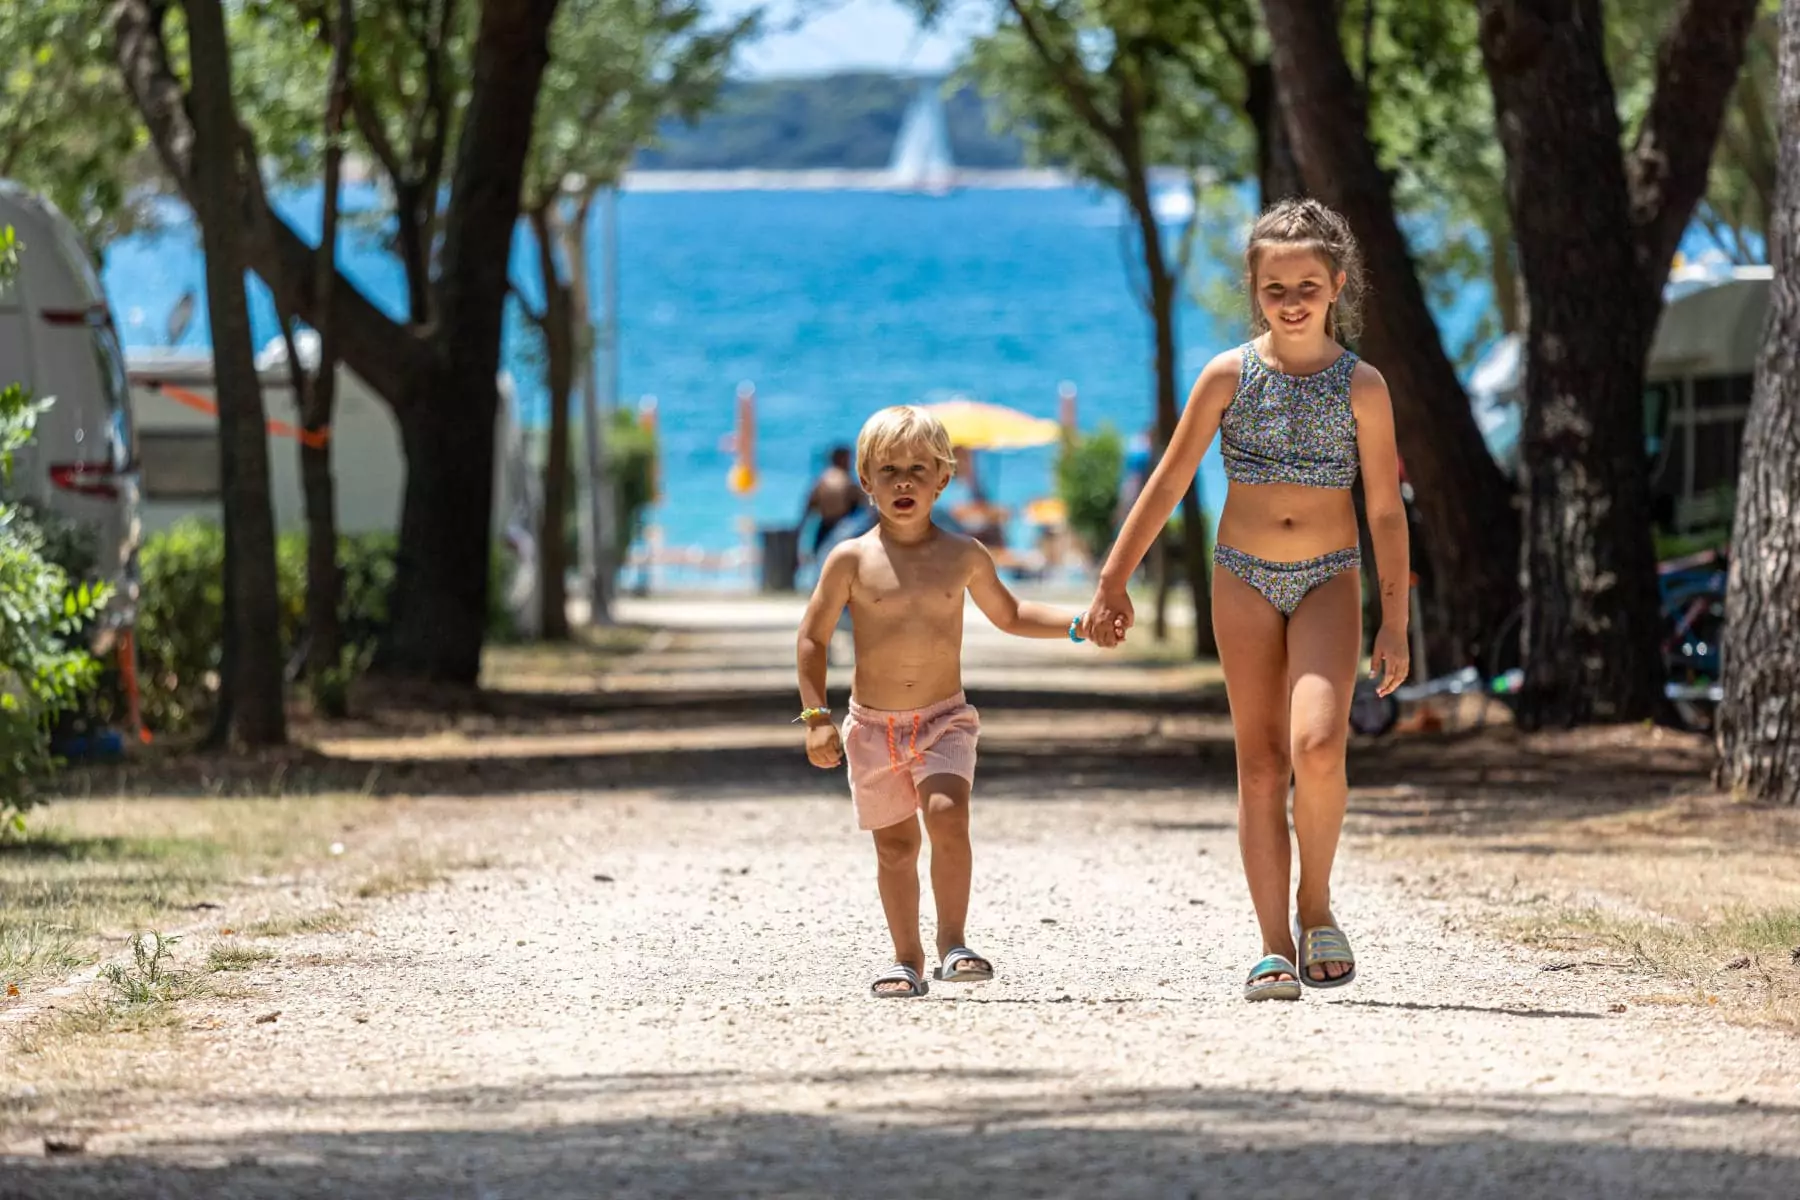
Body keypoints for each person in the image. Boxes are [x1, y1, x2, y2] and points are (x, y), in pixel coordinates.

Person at [1083, 198, 1410, 1002]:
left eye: (1307, 283)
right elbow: (1169, 481)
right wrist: (1112, 579)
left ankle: (1316, 904)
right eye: (1274, 288)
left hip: (1330, 576)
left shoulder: (1363, 387)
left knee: (1319, 746)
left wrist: (1395, 622)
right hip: (1243, 579)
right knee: (1261, 764)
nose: (1291, 300)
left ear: (1337, 284)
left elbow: (1384, 510)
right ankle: (1272, 944)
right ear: (1254, 291)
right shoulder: (1227, 375)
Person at [795, 405, 1113, 998]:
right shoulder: (851, 559)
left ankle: (953, 942)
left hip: (943, 720)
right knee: (895, 847)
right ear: (866, 480)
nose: (905, 481)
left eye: (919, 468)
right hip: (871, 728)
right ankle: (905, 956)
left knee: (947, 816)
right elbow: (812, 637)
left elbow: (1013, 615)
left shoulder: (964, 554)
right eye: (889, 470)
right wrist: (817, 718)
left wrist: (1079, 625)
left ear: (944, 478)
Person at [799, 446, 863, 560]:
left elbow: (807, 510)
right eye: (849, 459)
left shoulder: (820, 481)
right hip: (843, 529)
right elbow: (869, 509)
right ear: (842, 459)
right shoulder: (847, 481)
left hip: (823, 530)